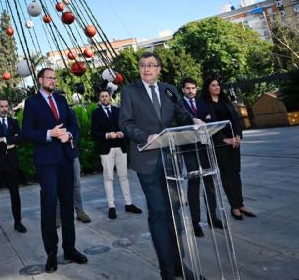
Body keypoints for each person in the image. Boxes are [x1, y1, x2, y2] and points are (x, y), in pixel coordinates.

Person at [120, 53, 204, 280]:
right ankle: (167, 270)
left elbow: (181, 113)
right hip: (147, 161)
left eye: (151, 65)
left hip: (171, 159)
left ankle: (179, 264)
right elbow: (125, 123)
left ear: (159, 69)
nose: (146, 69)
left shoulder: (169, 89)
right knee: (159, 212)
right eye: (142, 65)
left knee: (175, 212)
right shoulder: (129, 91)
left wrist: (193, 120)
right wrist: (146, 137)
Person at [21, 68, 88, 273]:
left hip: (66, 159)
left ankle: (70, 249)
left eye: (54, 78)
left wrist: (69, 134)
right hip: (46, 162)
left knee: (68, 206)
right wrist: (49, 133)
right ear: (40, 80)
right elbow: (26, 132)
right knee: (49, 207)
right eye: (49, 78)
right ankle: (51, 253)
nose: (52, 80)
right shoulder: (32, 103)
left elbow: (74, 126)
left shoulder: (61, 99)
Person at [201, 77, 255, 221]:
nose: (217, 87)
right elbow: (209, 125)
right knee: (226, 173)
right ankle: (234, 206)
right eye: (213, 85)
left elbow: (236, 120)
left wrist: (237, 136)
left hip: (234, 142)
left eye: (218, 84)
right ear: (208, 88)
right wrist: (224, 139)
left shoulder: (226, 101)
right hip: (220, 144)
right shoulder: (205, 104)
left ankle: (240, 203)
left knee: (236, 172)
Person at [180, 78, 223, 236]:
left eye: (193, 88)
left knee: (209, 183)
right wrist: (202, 122)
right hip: (189, 148)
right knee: (194, 184)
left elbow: (212, 119)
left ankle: (213, 217)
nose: (191, 91)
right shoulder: (179, 106)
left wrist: (206, 121)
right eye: (188, 88)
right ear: (183, 89)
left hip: (205, 147)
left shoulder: (202, 103)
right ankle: (195, 222)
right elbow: (180, 122)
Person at [91, 89, 142, 219]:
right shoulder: (95, 113)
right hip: (106, 149)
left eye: (106, 96)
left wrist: (122, 133)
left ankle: (128, 203)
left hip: (120, 147)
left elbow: (126, 127)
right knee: (108, 178)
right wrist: (107, 135)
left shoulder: (118, 111)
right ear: (99, 99)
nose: (104, 98)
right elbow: (94, 132)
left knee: (124, 176)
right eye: (102, 96)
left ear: (110, 97)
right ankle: (111, 207)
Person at [0, 99, 27, 240]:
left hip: (12, 165)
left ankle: (18, 222)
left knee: (15, 195)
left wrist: (3, 140)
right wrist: (9, 143)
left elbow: (20, 138)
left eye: (6, 106)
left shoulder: (14, 123)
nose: (4, 109)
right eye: (1, 106)